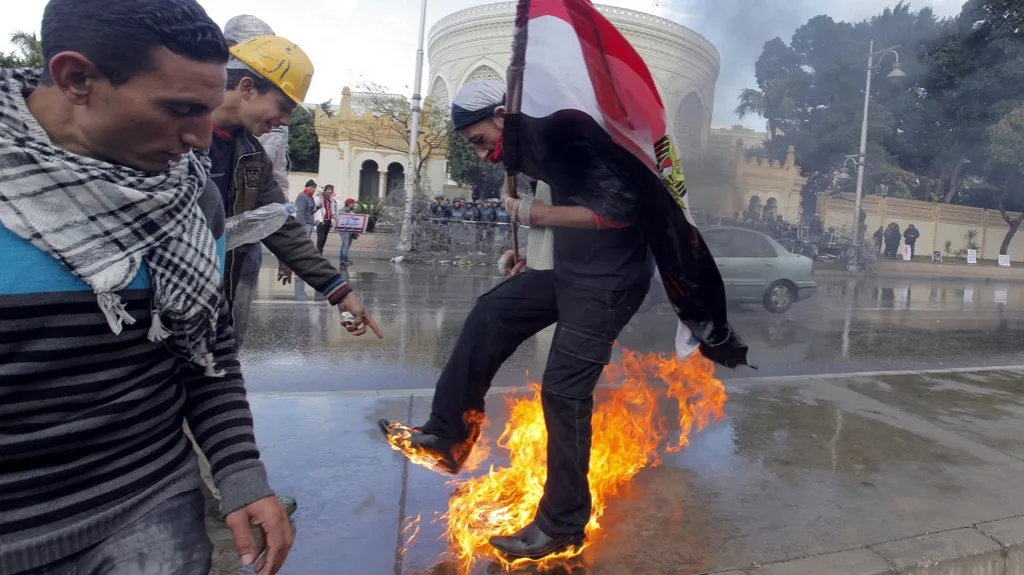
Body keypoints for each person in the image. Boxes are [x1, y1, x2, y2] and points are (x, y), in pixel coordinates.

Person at [0, 1, 294, 574]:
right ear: (77, 78)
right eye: (179, 109)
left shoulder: (193, 202)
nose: (201, 140)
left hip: (149, 508)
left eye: (207, 111)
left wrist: (239, 472)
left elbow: (207, 354)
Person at [379, 80, 651, 561]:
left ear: (503, 115)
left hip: (609, 280)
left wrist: (537, 213)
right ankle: (449, 435)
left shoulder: (574, 140)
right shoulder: (536, 151)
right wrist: (530, 251)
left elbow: (622, 209)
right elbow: (561, 209)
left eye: (482, 141)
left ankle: (563, 524)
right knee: (491, 313)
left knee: (564, 391)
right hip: (565, 270)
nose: (483, 155)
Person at [315, 185, 338, 255]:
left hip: (328, 221)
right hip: (321, 221)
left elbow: (332, 211)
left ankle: (319, 253)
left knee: (324, 239)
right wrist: (317, 219)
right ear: (324, 190)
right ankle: (318, 255)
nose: (330, 191)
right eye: (328, 189)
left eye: (331, 190)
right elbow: (314, 207)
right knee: (321, 239)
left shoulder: (331, 200)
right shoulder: (319, 197)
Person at [339, 198, 358, 265]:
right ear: (348, 204)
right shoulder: (342, 211)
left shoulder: (352, 211)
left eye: (354, 203)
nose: (353, 205)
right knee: (345, 244)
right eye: (352, 203)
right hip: (344, 230)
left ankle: (344, 258)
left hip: (351, 230)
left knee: (347, 244)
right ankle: (343, 259)